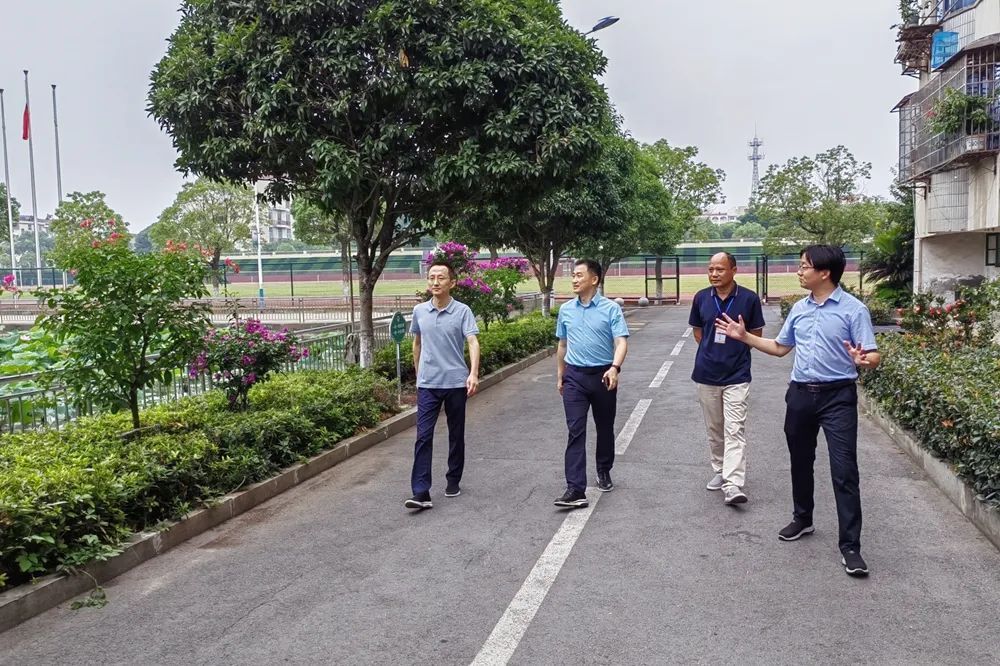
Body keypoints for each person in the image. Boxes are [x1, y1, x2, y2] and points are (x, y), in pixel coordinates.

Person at [715, 245, 880, 577]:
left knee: (844, 470)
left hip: (838, 396)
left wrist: (864, 360)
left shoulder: (854, 310)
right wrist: (744, 337)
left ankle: (850, 547)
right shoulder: (800, 309)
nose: (799, 271)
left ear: (824, 273)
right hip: (801, 394)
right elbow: (780, 348)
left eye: (805, 266)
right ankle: (803, 518)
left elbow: (872, 356)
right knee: (800, 461)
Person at [688, 252, 765, 505]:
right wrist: (713, 352)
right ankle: (720, 470)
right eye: (710, 269)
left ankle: (733, 484)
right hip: (706, 374)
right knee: (715, 428)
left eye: (720, 269)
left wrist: (734, 352)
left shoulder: (749, 298)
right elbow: (698, 333)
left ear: (734, 270)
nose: (714, 274)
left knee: (735, 428)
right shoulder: (701, 297)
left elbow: (755, 334)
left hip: (737, 374)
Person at [404, 261, 481, 510]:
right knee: (423, 436)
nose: (435, 282)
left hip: (456, 382)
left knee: (456, 434)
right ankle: (420, 492)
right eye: (431, 277)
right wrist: (419, 375)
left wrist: (473, 373)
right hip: (428, 384)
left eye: (441, 278)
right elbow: (417, 343)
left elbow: (472, 342)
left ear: (452, 283)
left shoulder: (462, 311)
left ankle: (453, 479)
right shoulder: (419, 311)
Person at [553, 259, 629, 508]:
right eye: (573, 275)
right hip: (574, 377)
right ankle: (575, 489)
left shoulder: (610, 309)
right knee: (575, 430)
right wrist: (560, 374)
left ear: (594, 279)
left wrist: (614, 368)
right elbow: (562, 344)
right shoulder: (566, 310)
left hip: (603, 375)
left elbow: (621, 342)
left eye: (579, 275)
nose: (574, 279)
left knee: (605, 427)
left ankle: (603, 469)